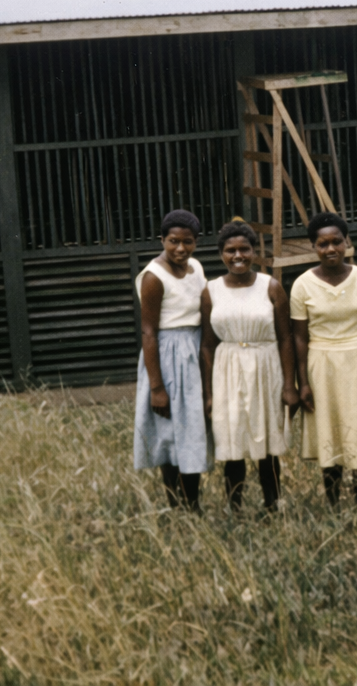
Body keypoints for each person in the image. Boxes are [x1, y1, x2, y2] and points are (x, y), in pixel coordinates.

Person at [199, 220, 298, 513]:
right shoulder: (211, 291)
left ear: (255, 251)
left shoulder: (271, 287)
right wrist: (208, 392)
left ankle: (273, 502)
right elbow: (207, 344)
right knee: (233, 436)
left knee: (265, 435)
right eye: (231, 250)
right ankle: (234, 505)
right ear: (221, 254)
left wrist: (289, 385)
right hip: (227, 368)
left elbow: (285, 339)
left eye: (245, 249)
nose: (238, 255)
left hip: (265, 365)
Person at [291, 212, 357, 504]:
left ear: (347, 242)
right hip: (321, 363)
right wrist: (303, 382)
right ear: (313, 247)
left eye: (337, 242)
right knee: (329, 430)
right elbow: (299, 337)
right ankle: (332, 499)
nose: (331, 249)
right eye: (323, 244)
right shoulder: (302, 285)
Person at [134, 209, 209, 511]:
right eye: (173, 241)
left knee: (191, 428)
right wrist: (157, 387)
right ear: (162, 240)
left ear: (196, 242)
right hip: (168, 355)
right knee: (170, 433)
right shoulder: (154, 277)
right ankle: (177, 506)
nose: (180, 248)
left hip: (194, 351)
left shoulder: (196, 268)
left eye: (187, 242)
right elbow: (149, 331)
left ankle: (193, 504)